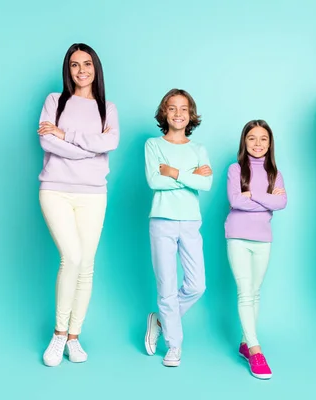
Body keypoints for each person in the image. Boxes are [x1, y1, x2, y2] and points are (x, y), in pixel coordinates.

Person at [37, 43, 120, 367]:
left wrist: (66, 136)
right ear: (67, 69)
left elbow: (110, 142)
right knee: (70, 256)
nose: (81, 70)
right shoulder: (54, 102)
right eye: (74, 65)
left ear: (96, 68)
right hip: (55, 189)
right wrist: (89, 149)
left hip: (93, 193)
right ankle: (58, 334)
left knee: (86, 265)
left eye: (87, 64)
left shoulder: (107, 108)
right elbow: (47, 141)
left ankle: (74, 336)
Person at [143, 89, 212, 367]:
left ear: (191, 114)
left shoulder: (198, 149)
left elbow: (206, 184)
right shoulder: (153, 145)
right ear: (164, 112)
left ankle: (160, 320)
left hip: (191, 221)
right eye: (172, 108)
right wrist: (190, 177)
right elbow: (153, 181)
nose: (178, 114)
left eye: (184, 109)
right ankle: (174, 345)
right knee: (167, 287)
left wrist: (173, 172)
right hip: (162, 220)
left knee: (197, 285)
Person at [224, 120, 287, 379]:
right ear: (244, 141)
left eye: (263, 138)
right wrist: (266, 198)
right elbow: (235, 201)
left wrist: (253, 194)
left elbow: (282, 202)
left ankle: (243, 342)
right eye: (252, 138)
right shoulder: (235, 169)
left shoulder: (275, 173)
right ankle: (255, 349)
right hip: (237, 236)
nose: (258, 143)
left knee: (255, 292)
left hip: (263, 239)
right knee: (244, 292)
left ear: (270, 143)